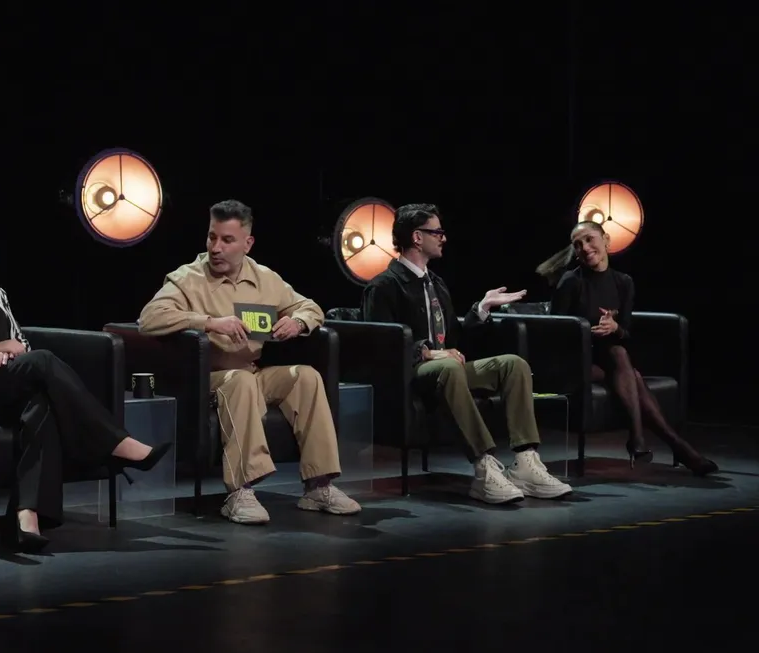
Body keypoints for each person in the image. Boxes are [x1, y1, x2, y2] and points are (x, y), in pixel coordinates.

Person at [0, 213, 171, 552]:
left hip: (8, 382)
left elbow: (21, 345)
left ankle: (25, 517)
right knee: (43, 360)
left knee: (41, 403)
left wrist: (10, 352)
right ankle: (116, 443)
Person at [139, 199, 361, 525]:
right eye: (212, 237)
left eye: (227, 240)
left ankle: (318, 485)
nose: (216, 248)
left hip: (252, 373)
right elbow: (149, 318)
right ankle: (240, 493)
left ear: (247, 243)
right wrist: (209, 322)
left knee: (306, 376)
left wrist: (297, 322)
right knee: (240, 381)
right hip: (208, 379)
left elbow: (310, 307)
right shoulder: (187, 278)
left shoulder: (265, 279)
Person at [363, 203, 573, 504]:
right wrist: (427, 353)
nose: (443, 238)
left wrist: (481, 309)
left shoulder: (437, 284)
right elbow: (380, 342)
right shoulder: (384, 286)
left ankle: (526, 461)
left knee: (513, 365)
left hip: (447, 370)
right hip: (411, 375)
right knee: (448, 367)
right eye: (437, 232)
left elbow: (454, 338)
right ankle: (484, 465)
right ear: (417, 237)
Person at [536, 220, 717, 476]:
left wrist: (615, 328)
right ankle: (663, 443)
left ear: (606, 240)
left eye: (589, 239)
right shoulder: (571, 281)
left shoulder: (623, 282)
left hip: (607, 360)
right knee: (629, 370)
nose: (585, 247)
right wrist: (585, 329)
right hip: (573, 361)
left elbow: (627, 332)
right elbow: (553, 332)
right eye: (578, 244)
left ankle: (651, 442)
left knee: (620, 356)